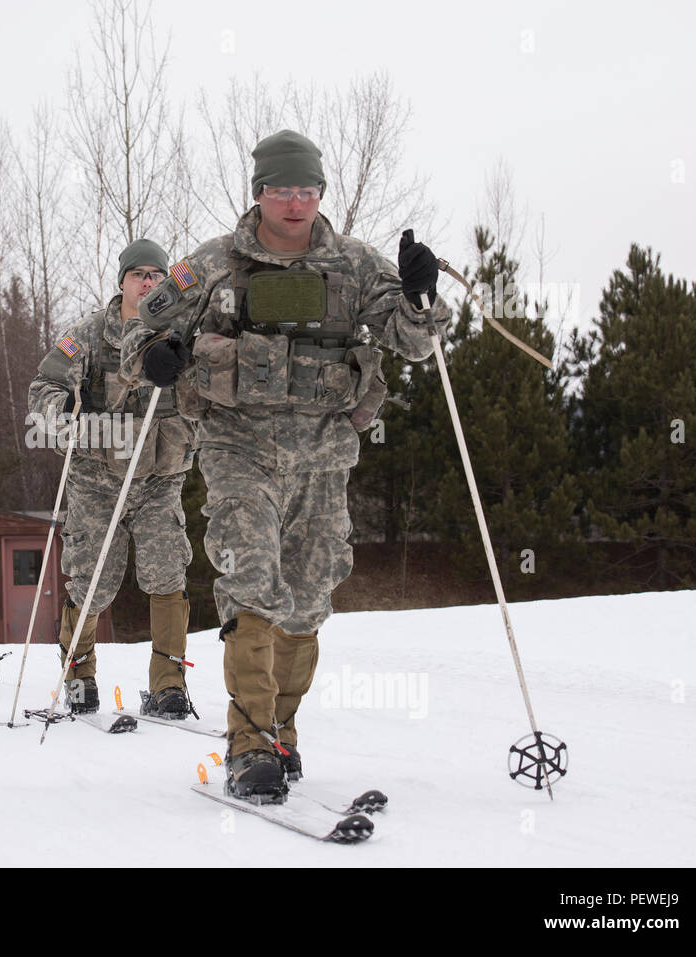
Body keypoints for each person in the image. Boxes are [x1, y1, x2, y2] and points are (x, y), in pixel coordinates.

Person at [122, 130, 451, 802]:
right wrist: (153, 354)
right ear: (260, 193)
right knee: (252, 580)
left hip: (325, 455)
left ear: (320, 192)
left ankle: (281, 729)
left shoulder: (357, 267)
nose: (296, 202)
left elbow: (414, 341)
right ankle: (248, 743)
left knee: (307, 595)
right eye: (282, 189)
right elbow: (140, 323)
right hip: (239, 447)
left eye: (307, 189)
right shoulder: (210, 265)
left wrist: (421, 294)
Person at [26, 239, 197, 716]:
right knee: (93, 580)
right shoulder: (88, 336)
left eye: (156, 275)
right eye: (138, 274)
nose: (147, 282)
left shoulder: (179, 336)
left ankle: (168, 683)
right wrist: (62, 412)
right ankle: (78, 672)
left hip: (162, 478)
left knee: (168, 573)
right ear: (121, 281)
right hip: (98, 480)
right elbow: (44, 387)